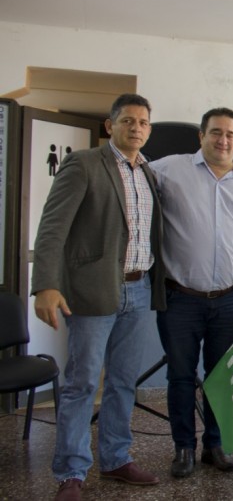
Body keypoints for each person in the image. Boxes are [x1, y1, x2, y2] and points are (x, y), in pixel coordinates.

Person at [32, 93, 164, 501]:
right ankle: (71, 472)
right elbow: (53, 227)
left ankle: (115, 459)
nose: (136, 128)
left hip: (139, 289)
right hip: (92, 291)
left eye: (143, 122)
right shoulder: (84, 164)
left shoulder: (149, 174)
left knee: (124, 381)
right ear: (110, 125)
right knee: (82, 382)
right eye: (128, 121)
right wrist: (46, 285)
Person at [149, 107, 233, 479]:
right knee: (181, 376)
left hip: (229, 298)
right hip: (180, 297)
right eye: (215, 132)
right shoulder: (168, 169)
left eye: (230, 134)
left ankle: (213, 445)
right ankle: (183, 447)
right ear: (201, 136)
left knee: (221, 376)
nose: (223, 140)